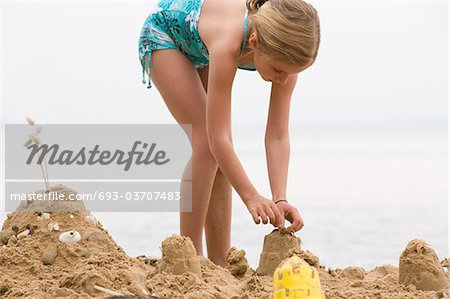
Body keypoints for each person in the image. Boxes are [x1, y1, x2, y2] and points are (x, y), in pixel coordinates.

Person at [138, 0, 321, 267]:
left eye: (291, 74)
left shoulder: (287, 61)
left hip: (199, 42)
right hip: (165, 35)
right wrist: (251, 196)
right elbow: (215, 139)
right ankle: (188, 258)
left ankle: (219, 263)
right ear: (256, 42)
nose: (283, 79)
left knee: (223, 156)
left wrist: (279, 198)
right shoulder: (228, 44)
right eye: (279, 71)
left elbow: (277, 137)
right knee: (206, 142)